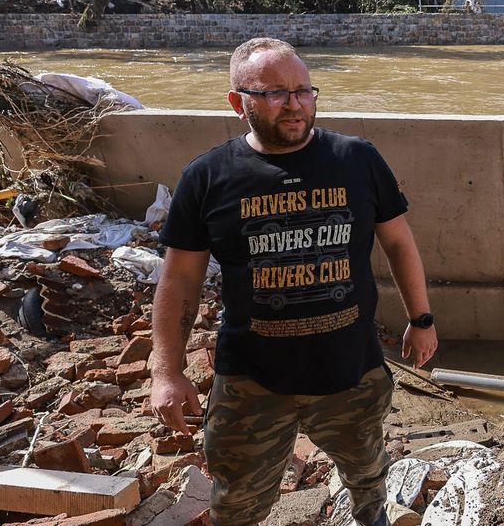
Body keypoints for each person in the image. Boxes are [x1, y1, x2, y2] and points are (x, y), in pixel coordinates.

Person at [149, 37, 438, 526]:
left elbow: (399, 244)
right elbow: (179, 281)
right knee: (237, 502)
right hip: (252, 382)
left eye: (304, 90)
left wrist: (421, 318)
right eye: (276, 93)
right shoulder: (207, 177)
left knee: (368, 477)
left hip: (352, 371)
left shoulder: (357, 159)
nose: (296, 104)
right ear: (238, 103)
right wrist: (166, 372)